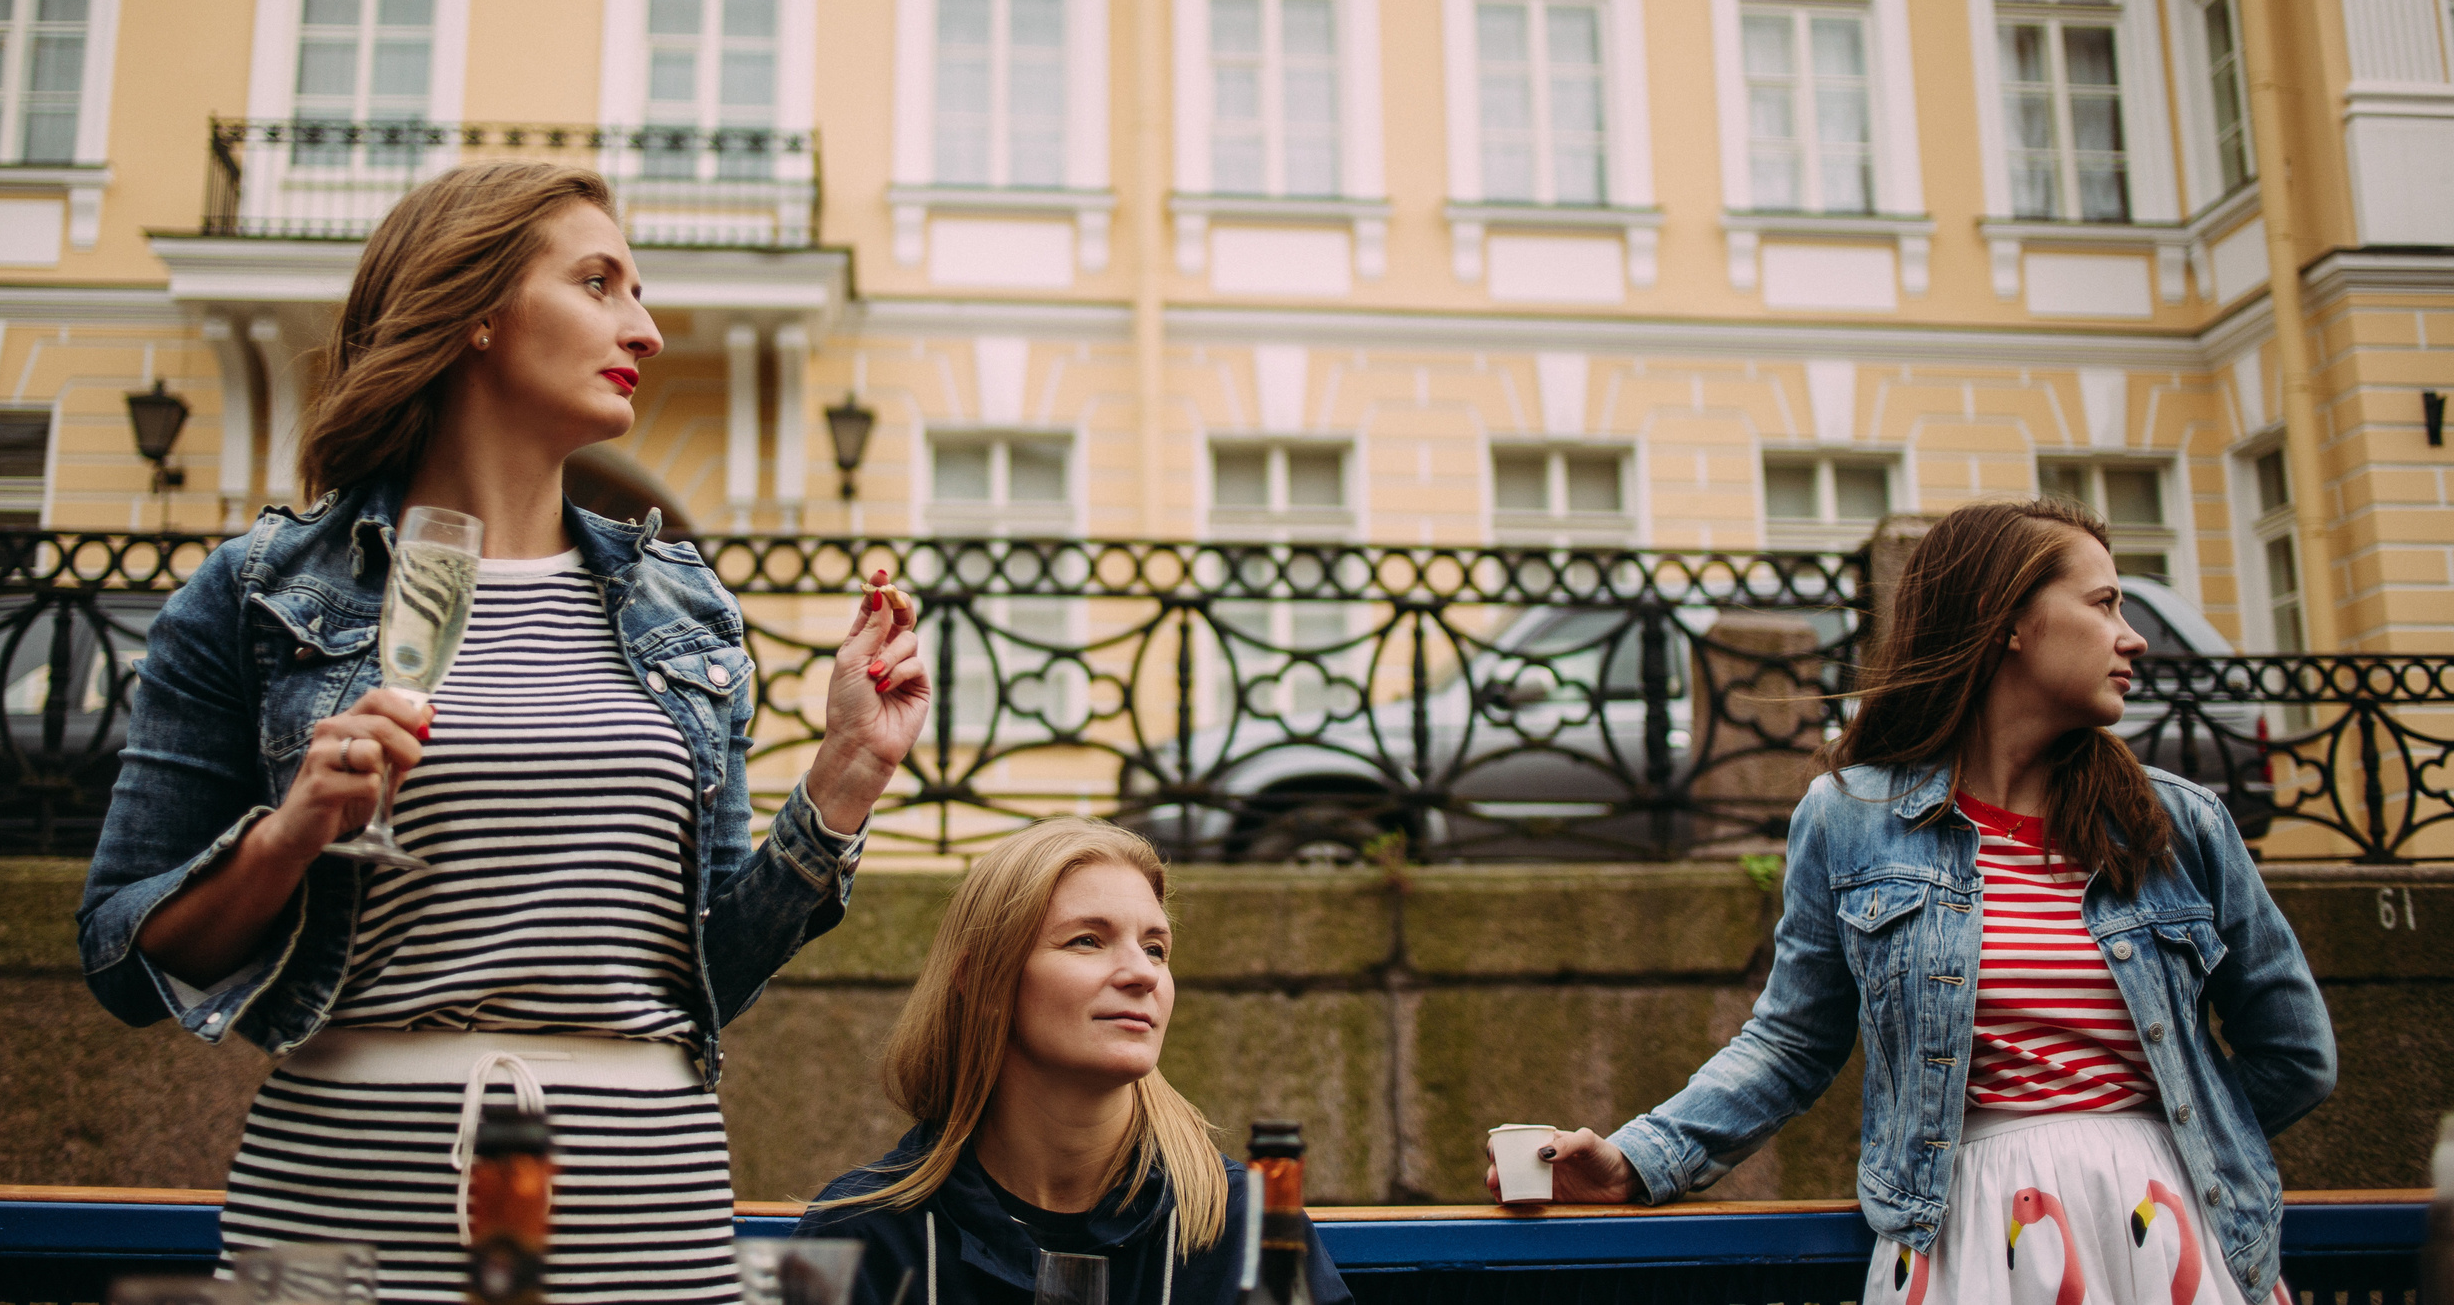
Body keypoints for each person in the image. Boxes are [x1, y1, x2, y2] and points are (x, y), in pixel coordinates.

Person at [77, 160, 931, 1303]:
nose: (648, 328)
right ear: (475, 310)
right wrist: (289, 839)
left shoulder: (686, 607)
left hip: (644, 1199)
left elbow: (705, 973)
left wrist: (842, 782)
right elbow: (125, 958)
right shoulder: (258, 594)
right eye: (600, 283)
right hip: (346, 1192)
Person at [1497, 498, 2333, 1305]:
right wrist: (1639, 1157)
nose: (2133, 635)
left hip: (2165, 1227)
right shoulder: (1851, 817)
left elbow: (2296, 1050)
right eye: (2104, 601)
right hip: (1967, 1226)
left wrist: (2165, 1133)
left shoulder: (2178, 823)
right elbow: (1792, 1040)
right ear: (2004, 618)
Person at [798, 819, 1353, 1305]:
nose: (1142, 973)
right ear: (983, 981)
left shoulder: (1239, 1229)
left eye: (1156, 948)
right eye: (1087, 940)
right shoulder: (862, 1236)